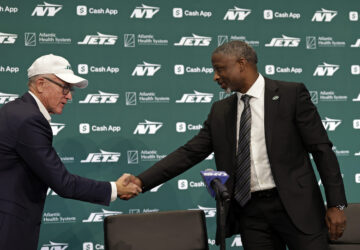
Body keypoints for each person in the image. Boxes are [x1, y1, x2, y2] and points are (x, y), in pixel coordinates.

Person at [126, 41, 347, 250]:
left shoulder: (291, 94)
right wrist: (142, 181)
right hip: (250, 213)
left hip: (298, 208)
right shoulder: (221, 111)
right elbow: (190, 152)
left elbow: (322, 150)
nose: (215, 76)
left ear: (242, 64)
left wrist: (336, 205)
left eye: (220, 69)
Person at [0, 54, 141, 250]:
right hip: (8, 226)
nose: (69, 96)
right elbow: (64, 184)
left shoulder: (17, 111)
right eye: (64, 88)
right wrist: (115, 189)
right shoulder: (28, 120)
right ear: (40, 84)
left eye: (70, 89)